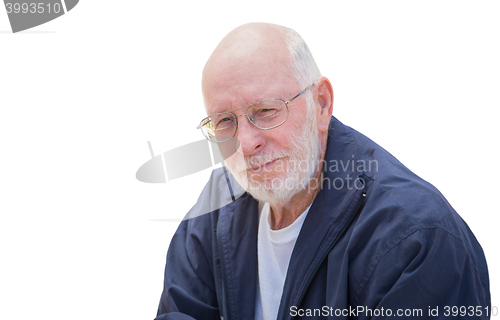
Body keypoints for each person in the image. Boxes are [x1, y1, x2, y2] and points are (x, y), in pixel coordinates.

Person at [155, 22, 490, 320]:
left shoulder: (415, 239)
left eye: (266, 111)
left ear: (322, 103)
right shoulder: (215, 207)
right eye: (224, 121)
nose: (244, 144)